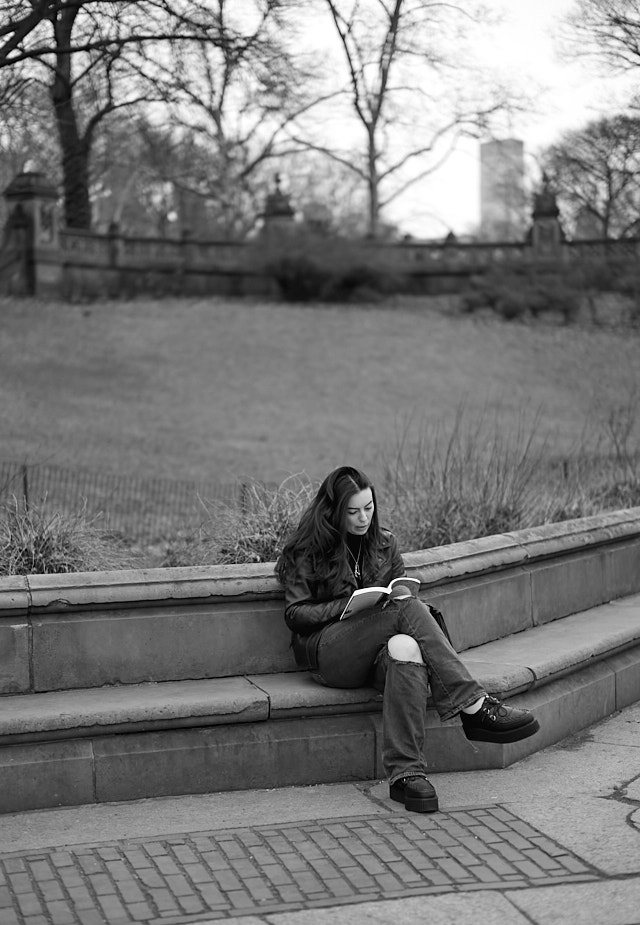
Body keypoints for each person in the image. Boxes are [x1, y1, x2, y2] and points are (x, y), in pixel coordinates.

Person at [275, 465, 540, 814]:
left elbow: (399, 596)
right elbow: (295, 614)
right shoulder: (306, 550)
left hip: (377, 656)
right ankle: (474, 707)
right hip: (331, 654)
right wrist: (347, 609)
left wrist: (388, 600)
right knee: (407, 610)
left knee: (408, 646)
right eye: (352, 512)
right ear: (333, 511)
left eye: (368, 508)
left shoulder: (384, 544)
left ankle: (406, 776)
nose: (363, 518)